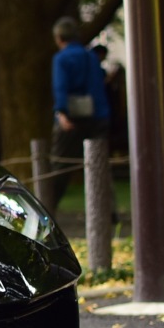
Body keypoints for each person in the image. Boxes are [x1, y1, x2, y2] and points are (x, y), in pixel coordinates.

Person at [50, 17, 111, 208]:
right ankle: (108, 210)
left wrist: (61, 113)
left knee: (59, 166)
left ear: (59, 38)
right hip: (98, 117)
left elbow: (60, 87)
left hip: (73, 118)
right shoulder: (90, 56)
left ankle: (48, 209)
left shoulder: (61, 58)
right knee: (100, 166)